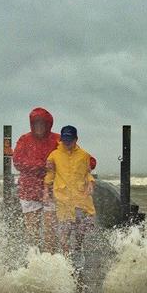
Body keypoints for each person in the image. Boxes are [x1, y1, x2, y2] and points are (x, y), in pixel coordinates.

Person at [12, 107, 96, 252]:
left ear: (48, 124)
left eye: (42, 123)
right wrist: (43, 165)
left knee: (50, 231)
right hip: (29, 190)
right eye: (36, 123)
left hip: (52, 192)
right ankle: (35, 261)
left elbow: (81, 157)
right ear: (32, 124)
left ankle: (51, 260)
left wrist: (88, 167)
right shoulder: (24, 139)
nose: (39, 127)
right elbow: (18, 162)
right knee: (32, 233)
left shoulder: (57, 139)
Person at [44, 125, 96, 256]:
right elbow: (50, 175)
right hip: (62, 197)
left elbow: (87, 173)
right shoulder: (54, 155)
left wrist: (90, 182)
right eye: (64, 140)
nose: (67, 143)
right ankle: (66, 256)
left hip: (80, 197)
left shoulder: (84, 155)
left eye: (70, 140)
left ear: (76, 139)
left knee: (80, 227)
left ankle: (78, 249)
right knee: (64, 228)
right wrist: (46, 191)